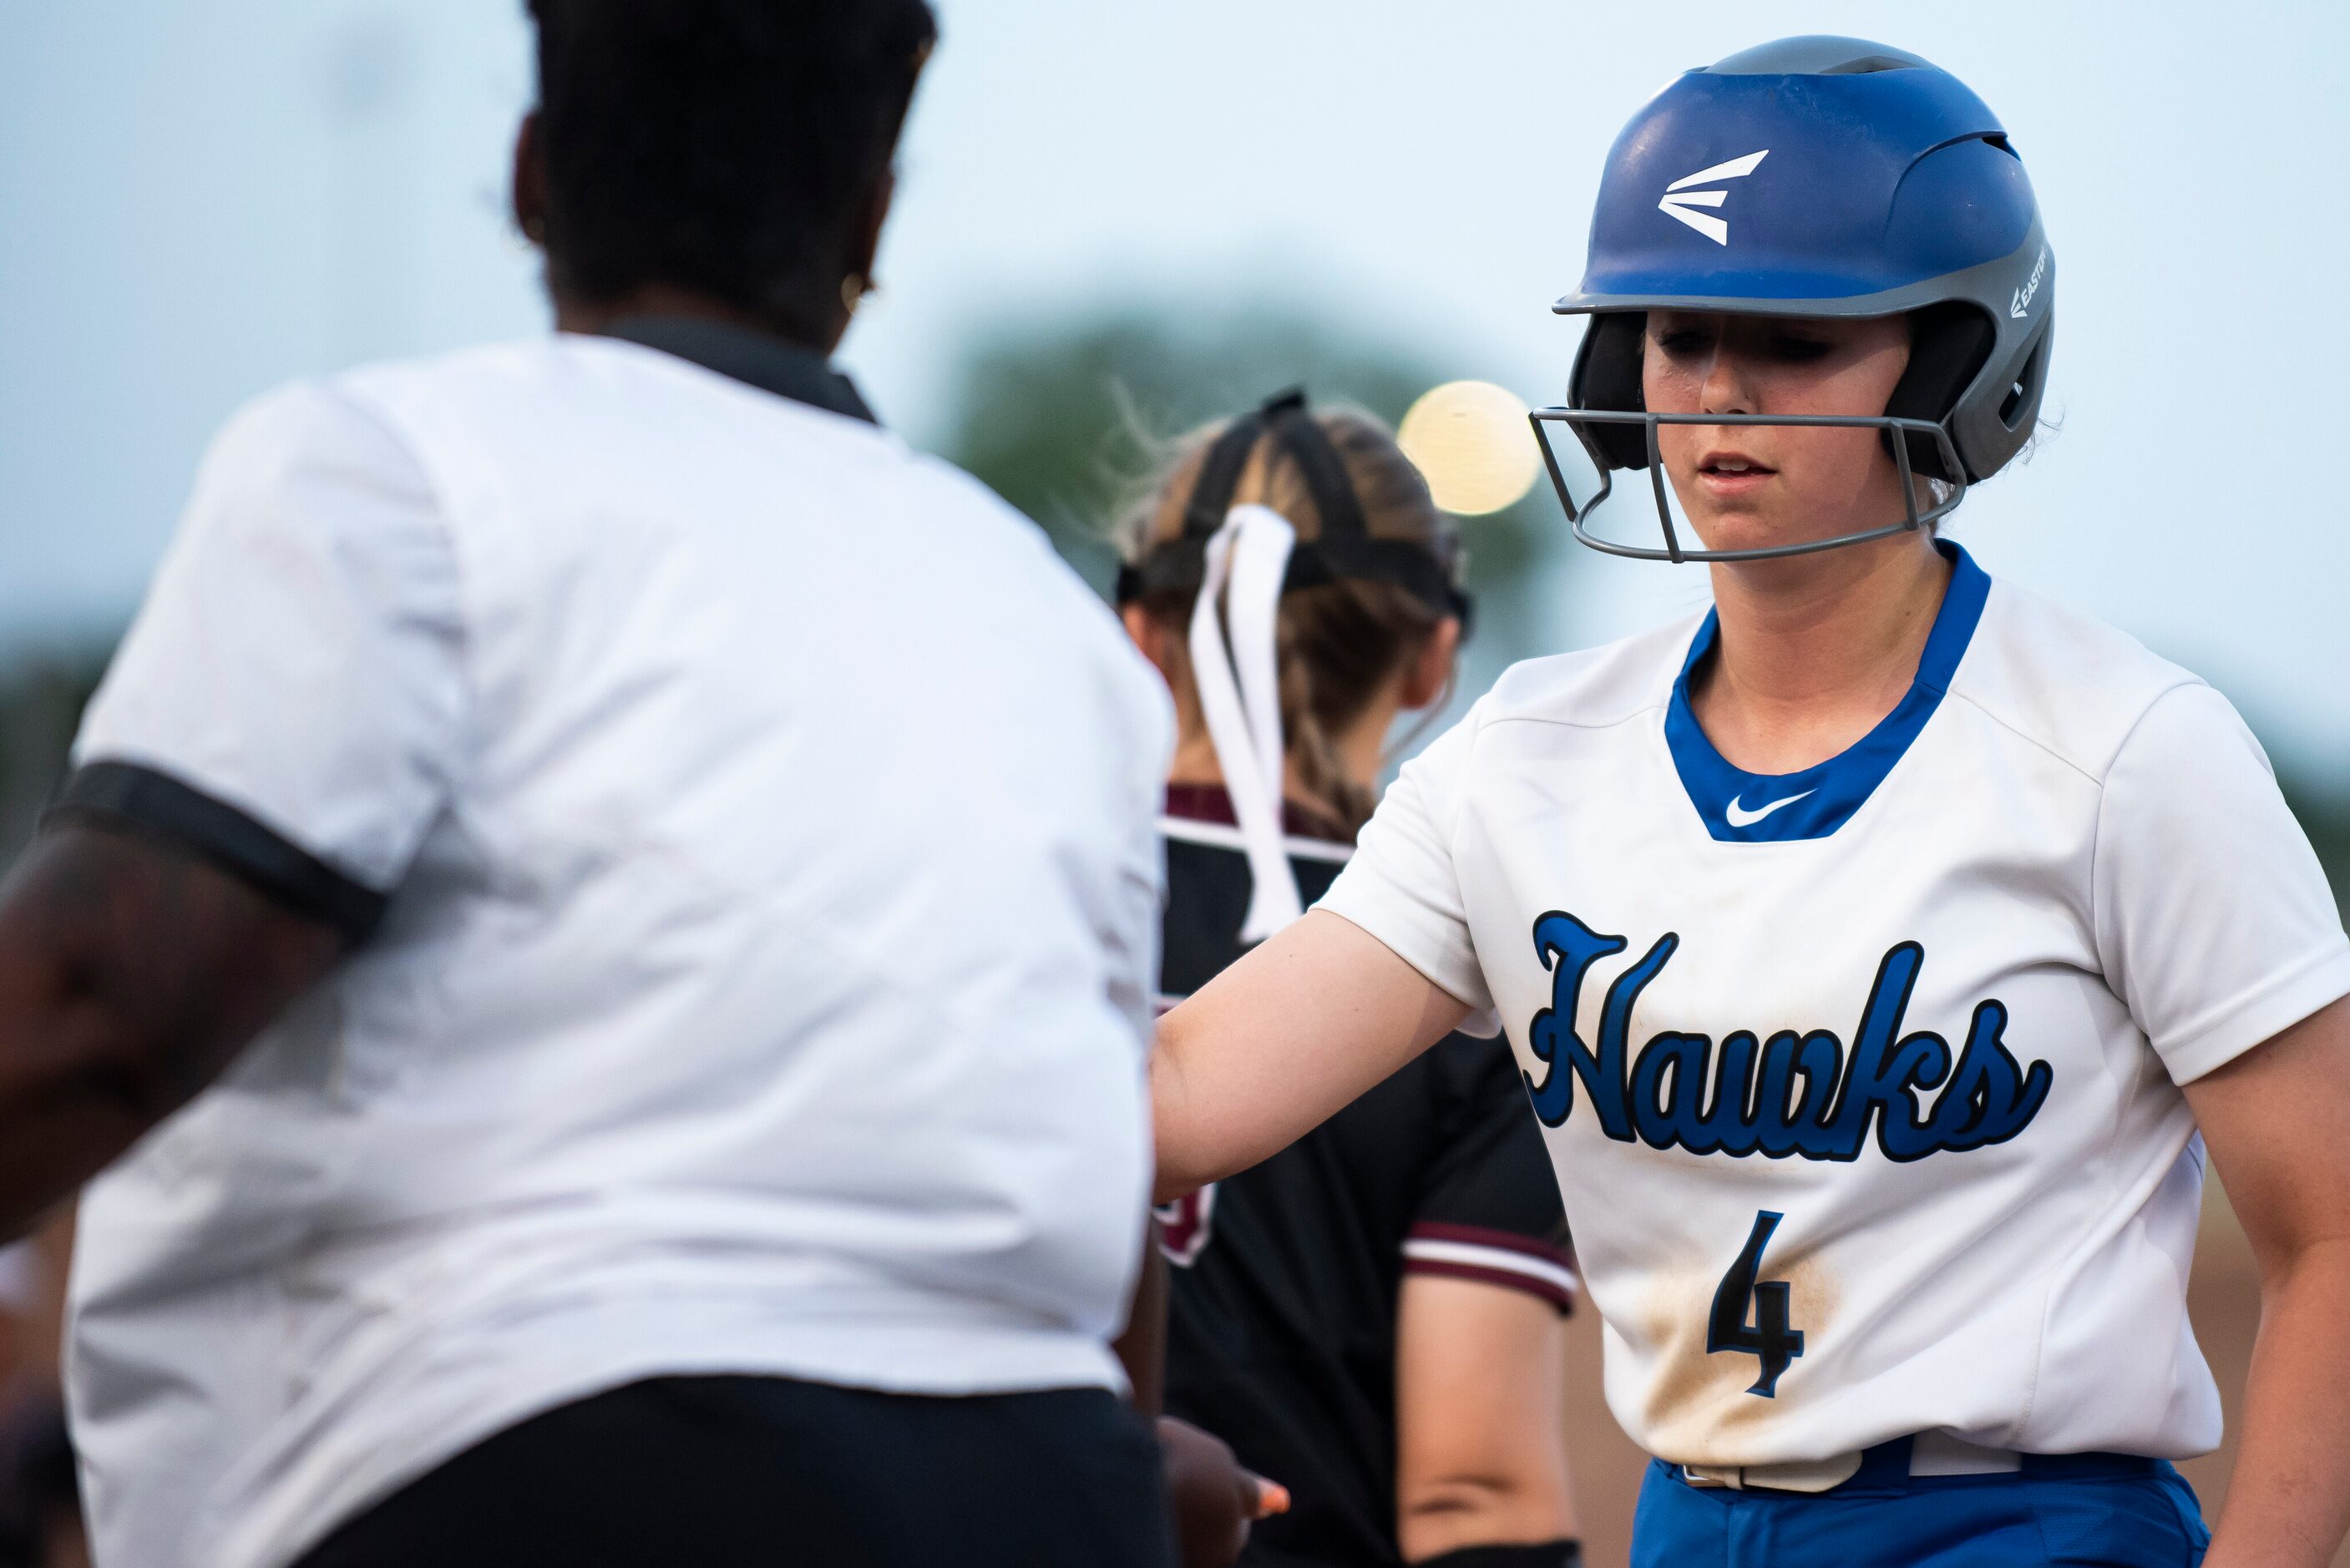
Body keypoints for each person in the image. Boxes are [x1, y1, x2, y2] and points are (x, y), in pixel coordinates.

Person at [0, 4, 1204, 1565]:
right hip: (1036, 1488)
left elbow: (96, 1001)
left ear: (527, 176)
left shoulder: (389, 476)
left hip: (498, 1458)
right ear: (871, 219)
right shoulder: (1054, 630)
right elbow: (1103, 1218)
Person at [1149, 36, 2350, 1568]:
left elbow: (2327, 1234)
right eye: (1673, 329)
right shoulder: (1521, 763)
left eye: (1793, 337)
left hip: (2022, 1521)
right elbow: (1183, 1095)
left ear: (1956, 363)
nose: (1714, 386)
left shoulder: (2122, 751)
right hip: (1687, 1522)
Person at [1116, 392, 1583, 1568]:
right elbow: (1472, 1491)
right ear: (1433, 654)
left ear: (1137, 631)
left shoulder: (1023, 898)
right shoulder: (1487, 977)